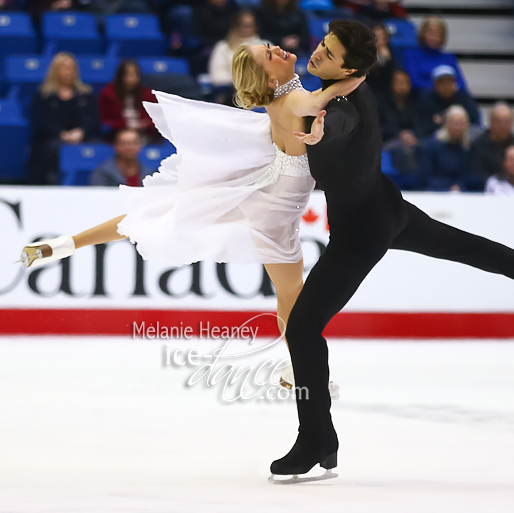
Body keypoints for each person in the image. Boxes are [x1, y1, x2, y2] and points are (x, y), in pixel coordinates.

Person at [269, 20, 514, 483]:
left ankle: (317, 439)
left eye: (328, 53)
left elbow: (339, 123)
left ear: (348, 67)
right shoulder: (343, 85)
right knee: (462, 246)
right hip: (386, 205)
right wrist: (306, 98)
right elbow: (326, 96)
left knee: (304, 328)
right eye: (322, 45)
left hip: (362, 230)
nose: (317, 54)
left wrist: (318, 135)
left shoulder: (343, 104)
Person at [18, 41, 364, 398]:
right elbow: (326, 95)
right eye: (269, 55)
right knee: (290, 293)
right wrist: (362, 68)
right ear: (267, 73)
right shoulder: (291, 101)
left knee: (165, 208)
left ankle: (65, 244)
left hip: (264, 191)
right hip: (276, 211)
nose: (277, 48)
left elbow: (316, 97)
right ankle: (301, 370)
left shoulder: (285, 96)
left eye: (269, 46)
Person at [28, 52, 100, 185]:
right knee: (51, 149)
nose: (67, 72)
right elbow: (39, 121)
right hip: (51, 138)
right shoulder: (43, 95)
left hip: (81, 137)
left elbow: (93, 119)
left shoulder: (85, 94)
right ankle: (50, 182)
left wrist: (81, 132)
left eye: (70, 68)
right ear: (55, 71)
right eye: (63, 68)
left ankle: (94, 182)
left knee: (97, 147)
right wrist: (61, 134)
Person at [209, 11, 266, 104]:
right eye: (243, 25)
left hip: (261, 92)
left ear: (256, 27)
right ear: (235, 27)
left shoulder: (265, 45)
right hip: (230, 93)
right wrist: (242, 82)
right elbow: (217, 76)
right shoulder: (223, 47)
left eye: (249, 25)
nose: (246, 29)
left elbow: (273, 73)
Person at [98, 59, 159, 144]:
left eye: (134, 75)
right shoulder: (108, 94)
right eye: (128, 75)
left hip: (144, 135)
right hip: (117, 134)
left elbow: (156, 119)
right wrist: (125, 124)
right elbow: (105, 121)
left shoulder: (147, 94)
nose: (131, 78)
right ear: (120, 76)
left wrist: (144, 124)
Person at [413, 65, 480, 139]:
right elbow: (420, 129)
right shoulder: (426, 101)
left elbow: (475, 126)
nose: (446, 86)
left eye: (449, 81)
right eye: (441, 82)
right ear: (435, 85)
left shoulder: (465, 99)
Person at [403, 16, 467, 91]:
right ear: (423, 33)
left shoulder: (449, 58)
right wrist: (442, 88)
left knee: (465, 97)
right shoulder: (411, 55)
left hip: (447, 97)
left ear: (443, 36)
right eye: (430, 32)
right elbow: (414, 82)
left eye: (438, 34)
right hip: (421, 97)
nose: (433, 37)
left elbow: (461, 84)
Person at [418, 105, 474, 192]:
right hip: (435, 193)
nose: (457, 127)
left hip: (461, 193)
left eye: (461, 123)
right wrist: (448, 187)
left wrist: (459, 186)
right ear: (446, 124)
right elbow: (425, 178)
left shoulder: (468, 149)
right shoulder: (431, 146)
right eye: (454, 123)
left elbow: (469, 178)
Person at [471, 102, 514, 178]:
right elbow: (475, 176)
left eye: (506, 121)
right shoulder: (477, 146)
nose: (502, 125)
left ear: (512, 122)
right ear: (491, 121)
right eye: (498, 121)